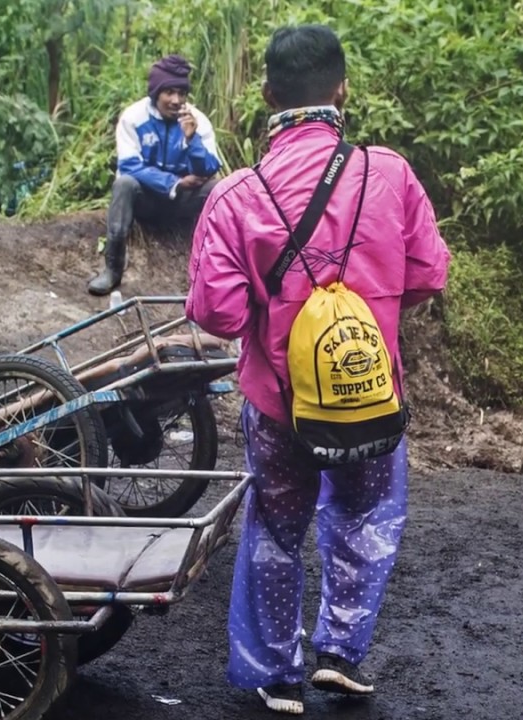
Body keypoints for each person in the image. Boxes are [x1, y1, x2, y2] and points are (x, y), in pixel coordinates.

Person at [184, 25, 451, 715]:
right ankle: (341, 652)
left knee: (276, 525)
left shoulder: (236, 195)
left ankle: (277, 673)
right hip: (369, 395)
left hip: (278, 403)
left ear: (269, 95)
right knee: (367, 515)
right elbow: (427, 274)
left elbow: (215, 313)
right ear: (343, 89)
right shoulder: (389, 173)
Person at [87, 54, 224, 296]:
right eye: (169, 92)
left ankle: (214, 269)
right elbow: (129, 166)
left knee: (219, 189)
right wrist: (174, 183)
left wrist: (192, 140)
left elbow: (209, 169)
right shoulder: (133, 117)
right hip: (147, 202)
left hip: (182, 204)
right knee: (124, 184)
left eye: (181, 93)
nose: (176, 100)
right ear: (155, 93)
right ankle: (113, 268)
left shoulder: (197, 120)